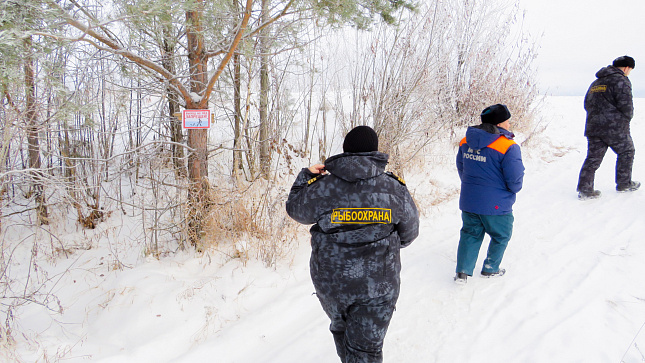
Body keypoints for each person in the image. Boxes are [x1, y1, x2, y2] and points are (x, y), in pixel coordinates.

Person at [285, 125, 419, 363]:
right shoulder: (393, 188)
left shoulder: (322, 187)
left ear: (345, 151)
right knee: (365, 350)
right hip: (377, 287)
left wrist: (306, 175)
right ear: (375, 152)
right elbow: (409, 232)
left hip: (332, 284)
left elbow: (296, 210)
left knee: (342, 329)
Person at [454, 104, 524, 284]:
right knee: (501, 235)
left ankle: (462, 272)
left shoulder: (465, 141)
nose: (509, 125)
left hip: (469, 200)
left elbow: (462, 168)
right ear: (499, 124)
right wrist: (510, 191)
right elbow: (515, 180)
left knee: (470, 233)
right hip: (497, 204)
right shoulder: (508, 146)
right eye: (507, 121)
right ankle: (490, 268)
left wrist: (472, 186)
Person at [577, 55, 640, 200]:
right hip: (614, 127)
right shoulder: (621, 80)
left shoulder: (596, 82)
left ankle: (585, 189)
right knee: (627, 151)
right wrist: (626, 119)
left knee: (593, 158)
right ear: (626, 68)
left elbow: (587, 104)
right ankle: (624, 183)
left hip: (593, 126)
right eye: (630, 69)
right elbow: (626, 105)